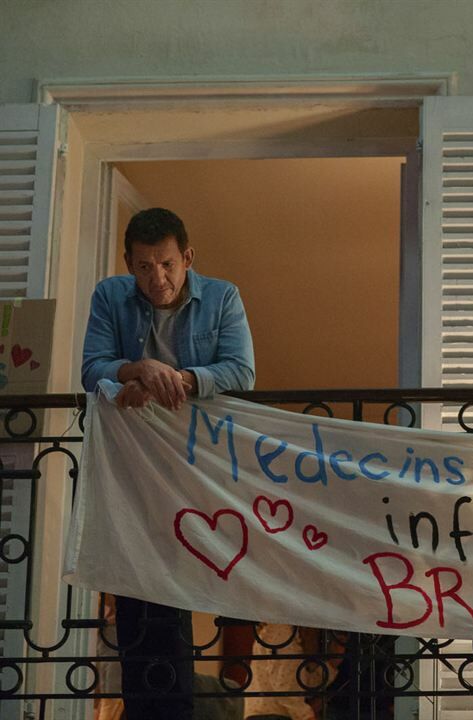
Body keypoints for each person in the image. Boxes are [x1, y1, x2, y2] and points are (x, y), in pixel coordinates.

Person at [82, 207, 256, 720]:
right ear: (128, 265)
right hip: (134, 464)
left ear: (188, 258)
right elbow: (92, 369)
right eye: (143, 267)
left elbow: (241, 371)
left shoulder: (223, 296)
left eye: (166, 265)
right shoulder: (109, 295)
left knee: (194, 567)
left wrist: (176, 381)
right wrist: (137, 369)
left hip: (201, 463)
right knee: (137, 578)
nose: (156, 278)